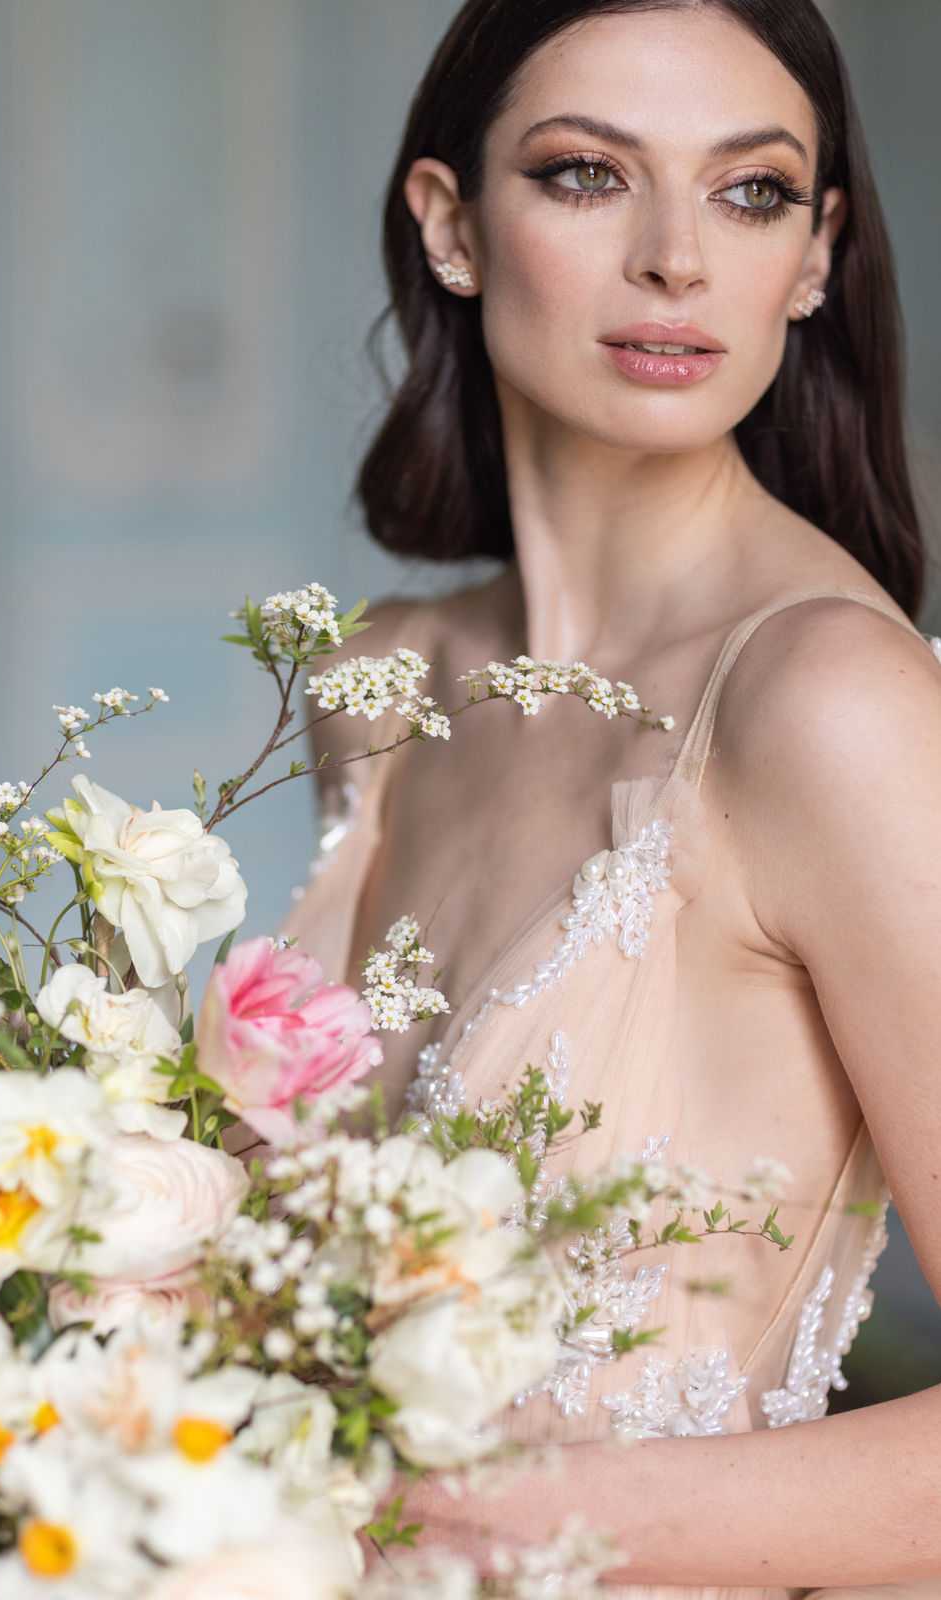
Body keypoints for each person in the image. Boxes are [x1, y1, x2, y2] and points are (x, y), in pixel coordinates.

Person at [279, 2, 941, 1594]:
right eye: (587, 176)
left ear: (816, 255)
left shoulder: (826, 706)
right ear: (449, 225)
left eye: (752, 191)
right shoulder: (381, 678)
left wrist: (440, 1513)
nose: (676, 259)